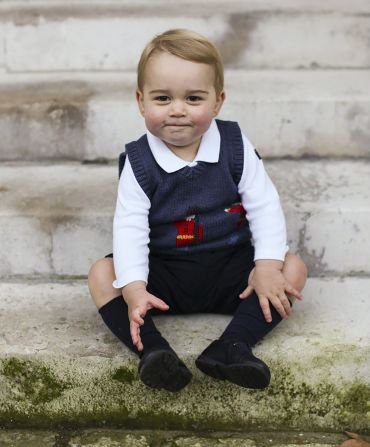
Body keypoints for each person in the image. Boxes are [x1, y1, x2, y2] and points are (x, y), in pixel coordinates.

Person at [88, 29, 307, 392]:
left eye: (193, 98)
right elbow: (129, 227)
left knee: (293, 267)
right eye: (162, 98)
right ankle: (154, 353)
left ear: (218, 102)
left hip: (230, 269)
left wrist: (266, 267)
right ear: (141, 102)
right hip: (165, 275)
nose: (177, 110)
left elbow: (264, 204)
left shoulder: (235, 146)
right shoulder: (140, 163)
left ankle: (233, 346)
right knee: (102, 274)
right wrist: (135, 288)